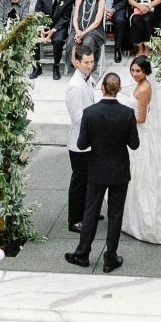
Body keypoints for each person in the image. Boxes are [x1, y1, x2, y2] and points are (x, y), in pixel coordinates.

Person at [66, 72, 140, 273]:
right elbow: (134, 144)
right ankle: (110, 258)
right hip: (119, 171)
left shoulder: (90, 113)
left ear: (102, 88)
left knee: (90, 212)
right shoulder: (127, 113)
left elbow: (82, 144)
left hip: (96, 169)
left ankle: (82, 253)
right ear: (119, 88)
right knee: (115, 215)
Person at [123, 56, 161, 244]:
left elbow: (141, 118)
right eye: (133, 70)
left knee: (144, 174)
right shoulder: (142, 85)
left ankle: (146, 217)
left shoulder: (143, 88)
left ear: (146, 71)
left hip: (142, 134)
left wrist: (121, 120)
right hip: (141, 133)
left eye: (138, 71)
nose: (134, 74)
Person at [64, 47, 96, 232]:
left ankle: (87, 211)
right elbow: (78, 117)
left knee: (89, 178)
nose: (90, 66)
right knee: (79, 180)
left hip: (89, 140)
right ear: (77, 62)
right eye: (86, 62)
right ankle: (74, 219)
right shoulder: (75, 86)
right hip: (79, 142)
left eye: (91, 62)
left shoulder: (87, 77)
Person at [31, 0, 74, 80]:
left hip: (59, 27)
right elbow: (38, 13)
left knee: (58, 40)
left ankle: (56, 66)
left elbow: (66, 18)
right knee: (33, 37)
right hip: (43, 25)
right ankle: (36, 67)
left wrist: (54, 30)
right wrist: (41, 28)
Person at [70, 0, 106, 72]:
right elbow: (75, 17)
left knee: (87, 42)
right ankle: (77, 69)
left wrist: (83, 33)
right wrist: (78, 31)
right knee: (72, 42)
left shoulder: (101, 1)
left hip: (94, 31)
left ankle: (87, 69)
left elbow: (97, 22)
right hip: (78, 29)